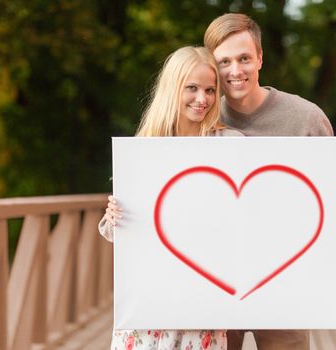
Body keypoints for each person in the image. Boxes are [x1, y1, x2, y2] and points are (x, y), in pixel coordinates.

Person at [204, 13, 336, 350]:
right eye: (223, 61)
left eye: (244, 58)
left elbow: (334, 193)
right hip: (220, 284)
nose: (235, 70)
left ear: (260, 59)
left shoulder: (305, 117)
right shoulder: (202, 116)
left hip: (286, 282)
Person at [99, 46, 242, 350]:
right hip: (149, 305)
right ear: (172, 88)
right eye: (192, 88)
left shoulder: (230, 145)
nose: (202, 99)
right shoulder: (145, 147)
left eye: (210, 90)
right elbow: (117, 234)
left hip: (204, 300)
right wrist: (114, 217)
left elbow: (260, 205)